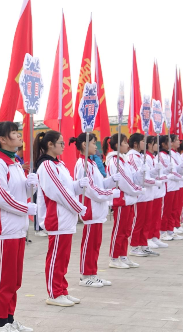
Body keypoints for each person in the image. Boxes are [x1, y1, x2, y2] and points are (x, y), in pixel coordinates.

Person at [0, 122, 38, 332]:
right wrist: (27, 208)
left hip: (18, 228)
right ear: (3, 139)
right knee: (5, 278)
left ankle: (11, 318)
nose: (19, 137)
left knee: (15, 279)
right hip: (4, 228)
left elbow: (19, 192)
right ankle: (1, 322)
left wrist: (31, 185)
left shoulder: (15, 163)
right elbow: (2, 198)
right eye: (14, 134)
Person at [35, 130, 87, 307]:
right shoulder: (47, 166)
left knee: (63, 258)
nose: (64, 146)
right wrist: (79, 207)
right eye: (61, 143)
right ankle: (54, 292)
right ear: (50, 144)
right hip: (56, 217)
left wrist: (79, 185)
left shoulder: (60, 165)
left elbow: (68, 187)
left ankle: (62, 289)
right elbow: (59, 193)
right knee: (56, 257)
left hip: (66, 217)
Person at [71, 133, 118, 287]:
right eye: (93, 143)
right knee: (89, 243)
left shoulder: (91, 164)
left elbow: (100, 184)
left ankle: (92, 272)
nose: (95, 146)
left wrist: (112, 181)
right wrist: (110, 193)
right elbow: (91, 190)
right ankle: (85, 275)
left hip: (98, 210)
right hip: (90, 209)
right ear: (85, 145)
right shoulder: (82, 164)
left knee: (95, 244)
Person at [103, 134, 142, 269]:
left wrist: (141, 173)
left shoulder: (124, 160)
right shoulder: (115, 161)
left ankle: (123, 255)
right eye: (125, 143)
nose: (127, 145)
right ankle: (114, 257)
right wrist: (136, 190)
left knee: (126, 230)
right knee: (119, 230)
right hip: (121, 200)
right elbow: (124, 182)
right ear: (117, 145)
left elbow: (131, 177)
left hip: (129, 199)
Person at [126, 133, 159, 257]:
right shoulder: (132, 157)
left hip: (148, 193)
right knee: (139, 221)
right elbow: (138, 178)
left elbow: (147, 174)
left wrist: (155, 172)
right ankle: (134, 246)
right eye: (143, 141)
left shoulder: (140, 156)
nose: (145, 144)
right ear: (135, 143)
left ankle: (144, 244)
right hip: (140, 194)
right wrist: (155, 181)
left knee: (147, 221)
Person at [156, 135, 183, 241]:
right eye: (173, 141)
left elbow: (176, 169)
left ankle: (170, 229)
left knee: (174, 208)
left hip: (176, 184)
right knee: (166, 210)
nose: (176, 142)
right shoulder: (162, 155)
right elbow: (172, 171)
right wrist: (179, 176)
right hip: (169, 184)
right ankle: (163, 231)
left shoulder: (172, 154)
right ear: (164, 144)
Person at [144, 136, 168, 249]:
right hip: (153, 189)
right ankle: (148, 237)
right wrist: (160, 178)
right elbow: (149, 175)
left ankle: (155, 236)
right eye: (154, 143)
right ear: (149, 144)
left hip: (158, 190)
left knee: (157, 215)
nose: (157, 146)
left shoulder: (153, 157)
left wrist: (163, 175)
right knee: (151, 216)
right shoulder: (146, 158)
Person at [170, 134, 183, 235]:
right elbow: (175, 170)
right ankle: (172, 226)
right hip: (172, 183)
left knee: (177, 206)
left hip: (178, 183)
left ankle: (176, 224)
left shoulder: (177, 154)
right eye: (177, 140)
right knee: (172, 207)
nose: (179, 141)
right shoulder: (170, 154)